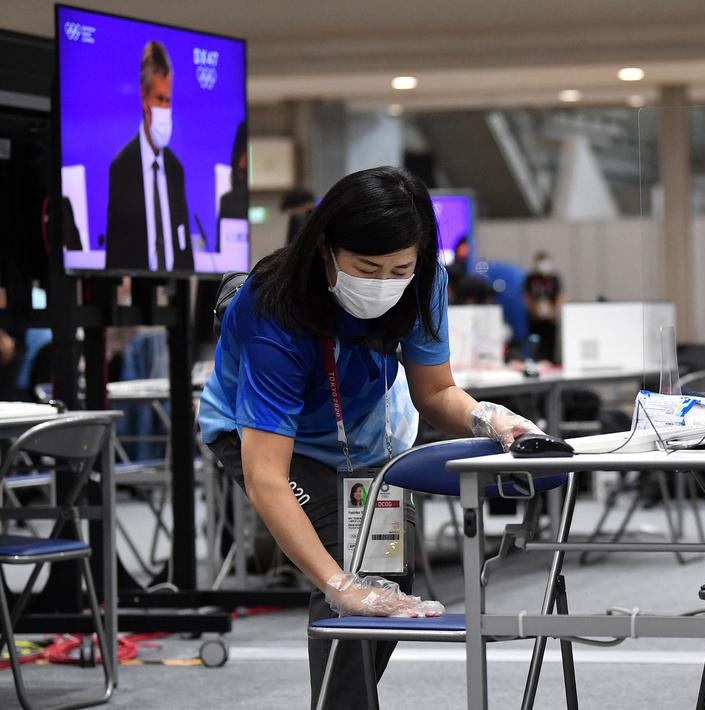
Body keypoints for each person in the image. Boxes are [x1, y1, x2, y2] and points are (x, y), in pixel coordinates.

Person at [197, 166, 541, 709]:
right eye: (367, 268)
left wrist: (492, 420)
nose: (384, 283)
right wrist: (339, 586)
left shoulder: (424, 279)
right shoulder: (273, 309)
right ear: (326, 247)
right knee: (345, 567)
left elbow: (435, 393)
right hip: (259, 436)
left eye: (398, 269)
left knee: (385, 576)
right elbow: (266, 478)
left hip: (365, 435)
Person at [104, 41, 193, 272]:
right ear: (144, 97)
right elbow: (115, 253)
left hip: (175, 292)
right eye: (159, 99)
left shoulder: (175, 170)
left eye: (168, 101)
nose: (164, 109)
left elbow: (184, 249)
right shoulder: (122, 167)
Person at [523, 250, 563, 362]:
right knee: (535, 341)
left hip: (550, 317)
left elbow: (559, 296)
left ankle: (550, 361)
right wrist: (532, 311)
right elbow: (526, 296)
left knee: (550, 342)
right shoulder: (531, 278)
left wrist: (554, 312)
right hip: (535, 317)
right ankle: (535, 359)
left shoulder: (554, 278)